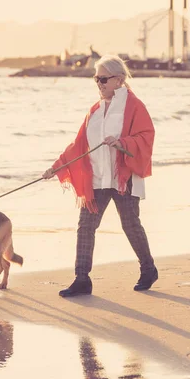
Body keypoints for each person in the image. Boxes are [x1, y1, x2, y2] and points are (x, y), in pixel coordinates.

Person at [42, 54, 157, 297]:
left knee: (130, 224)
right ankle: (81, 279)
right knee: (86, 226)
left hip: (122, 177)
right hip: (97, 178)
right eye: (96, 79)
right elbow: (79, 144)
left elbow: (146, 135)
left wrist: (122, 142)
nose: (99, 84)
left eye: (103, 79)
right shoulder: (94, 110)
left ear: (119, 79)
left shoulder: (134, 106)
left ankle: (148, 269)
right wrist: (56, 166)